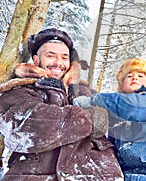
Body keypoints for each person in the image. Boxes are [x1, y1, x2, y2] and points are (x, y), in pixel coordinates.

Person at [0, 28, 123, 180]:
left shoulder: (86, 92)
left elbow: (119, 122)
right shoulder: (19, 90)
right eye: (51, 56)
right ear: (36, 60)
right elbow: (28, 126)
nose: (58, 63)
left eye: (64, 57)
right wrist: (90, 118)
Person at [74, 58, 146, 181]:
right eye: (129, 76)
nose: (134, 78)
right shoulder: (116, 113)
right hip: (134, 174)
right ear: (122, 85)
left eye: (140, 76)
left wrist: (93, 100)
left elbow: (132, 108)